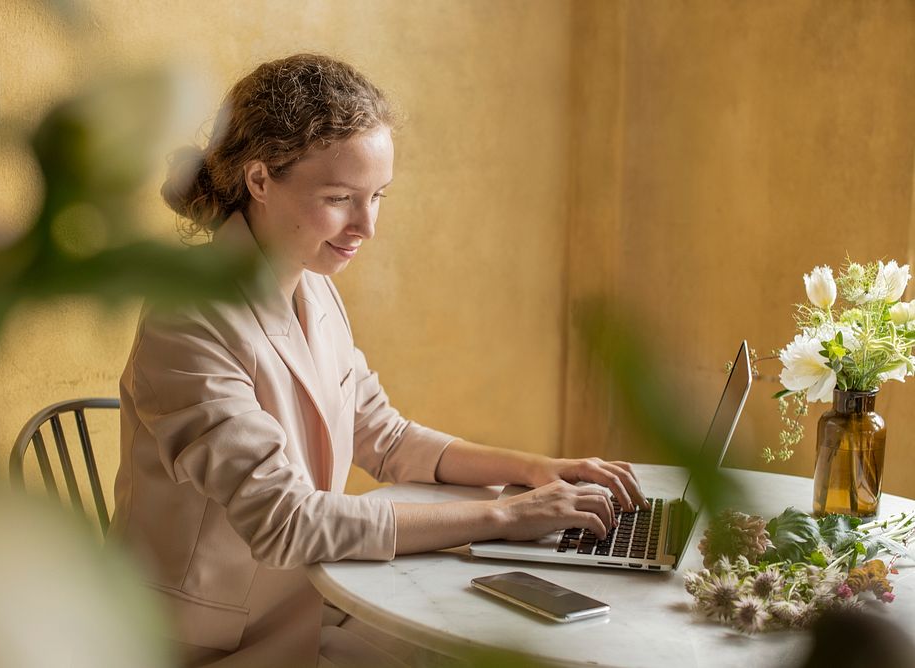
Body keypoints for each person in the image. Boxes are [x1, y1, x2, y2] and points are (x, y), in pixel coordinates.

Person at [110, 53, 648, 668]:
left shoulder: (313, 286)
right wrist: (501, 516)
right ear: (259, 180)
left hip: (307, 601)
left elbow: (386, 437)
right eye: (340, 197)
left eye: (377, 197)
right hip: (202, 638)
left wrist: (536, 469)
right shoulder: (188, 316)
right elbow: (286, 522)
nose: (366, 224)